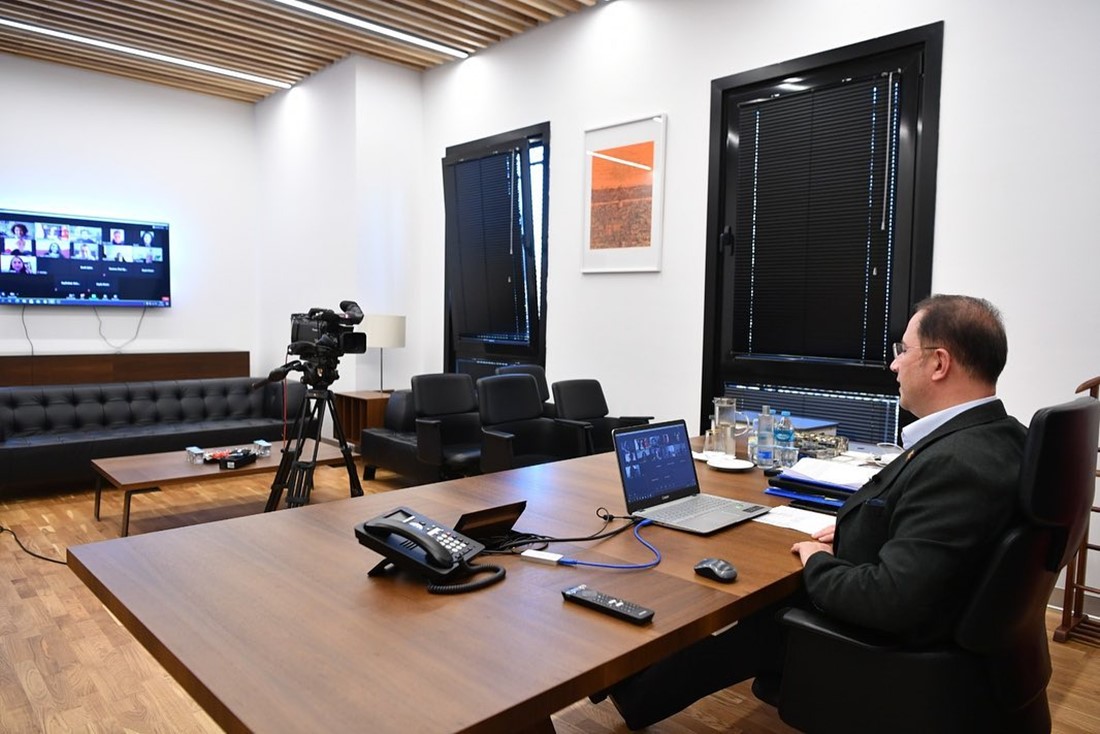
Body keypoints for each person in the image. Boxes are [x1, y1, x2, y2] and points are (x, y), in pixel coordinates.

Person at [602, 294, 1027, 730]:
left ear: (939, 363)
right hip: (948, 636)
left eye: (903, 350)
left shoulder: (956, 463)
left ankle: (626, 685)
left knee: (758, 606)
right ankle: (629, 681)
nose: (894, 364)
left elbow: (891, 601)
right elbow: (932, 541)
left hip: (895, 656)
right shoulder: (1006, 436)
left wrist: (818, 562)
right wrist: (856, 534)